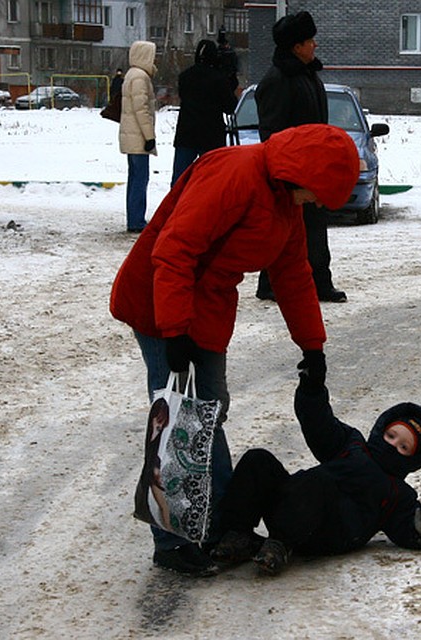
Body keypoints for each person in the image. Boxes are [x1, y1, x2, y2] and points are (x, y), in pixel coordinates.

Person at [109, 123, 360, 575]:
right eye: (321, 193)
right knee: (180, 421)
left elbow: (293, 275)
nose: (320, 204)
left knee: (210, 411)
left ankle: (218, 524)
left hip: (204, 309)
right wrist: (173, 331)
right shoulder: (236, 174)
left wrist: (313, 346)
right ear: (305, 173)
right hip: (159, 301)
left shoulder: (284, 202)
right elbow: (174, 251)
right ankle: (172, 540)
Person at [211, 354, 421, 576]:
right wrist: (312, 389)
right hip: (296, 506)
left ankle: (280, 545)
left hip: (328, 533)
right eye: (392, 436)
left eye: (403, 447)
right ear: (381, 430)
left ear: (413, 459)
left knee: (320, 480)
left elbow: (408, 530)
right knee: (258, 460)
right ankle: (237, 534)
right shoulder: (352, 443)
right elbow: (319, 425)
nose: (394, 446)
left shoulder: (397, 492)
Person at [254, 11, 347, 304]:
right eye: (309, 41)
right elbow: (272, 131)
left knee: (315, 228)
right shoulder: (278, 79)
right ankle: (269, 284)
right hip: (291, 172)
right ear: (296, 47)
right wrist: (285, 172)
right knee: (285, 231)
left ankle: (320, 282)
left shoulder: (307, 75)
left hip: (312, 168)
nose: (315, 45)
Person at [170, 39, 240, 186]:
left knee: (179, 179)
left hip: (186, 133)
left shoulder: (185, 77)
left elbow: (184, 97)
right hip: (211, 136)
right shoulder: (219, 79)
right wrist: (230, 81)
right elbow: (230, 107)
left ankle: (175, 205)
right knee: (212, 178)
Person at [119, 41, 157, 233]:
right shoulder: (141, 77)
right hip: (138, 137)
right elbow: (141, 110)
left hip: (131, 136)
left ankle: (134, 217)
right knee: (140, 178)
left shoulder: (131, 75)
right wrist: (149, 136)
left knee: (134, 177)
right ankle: (136, 220)